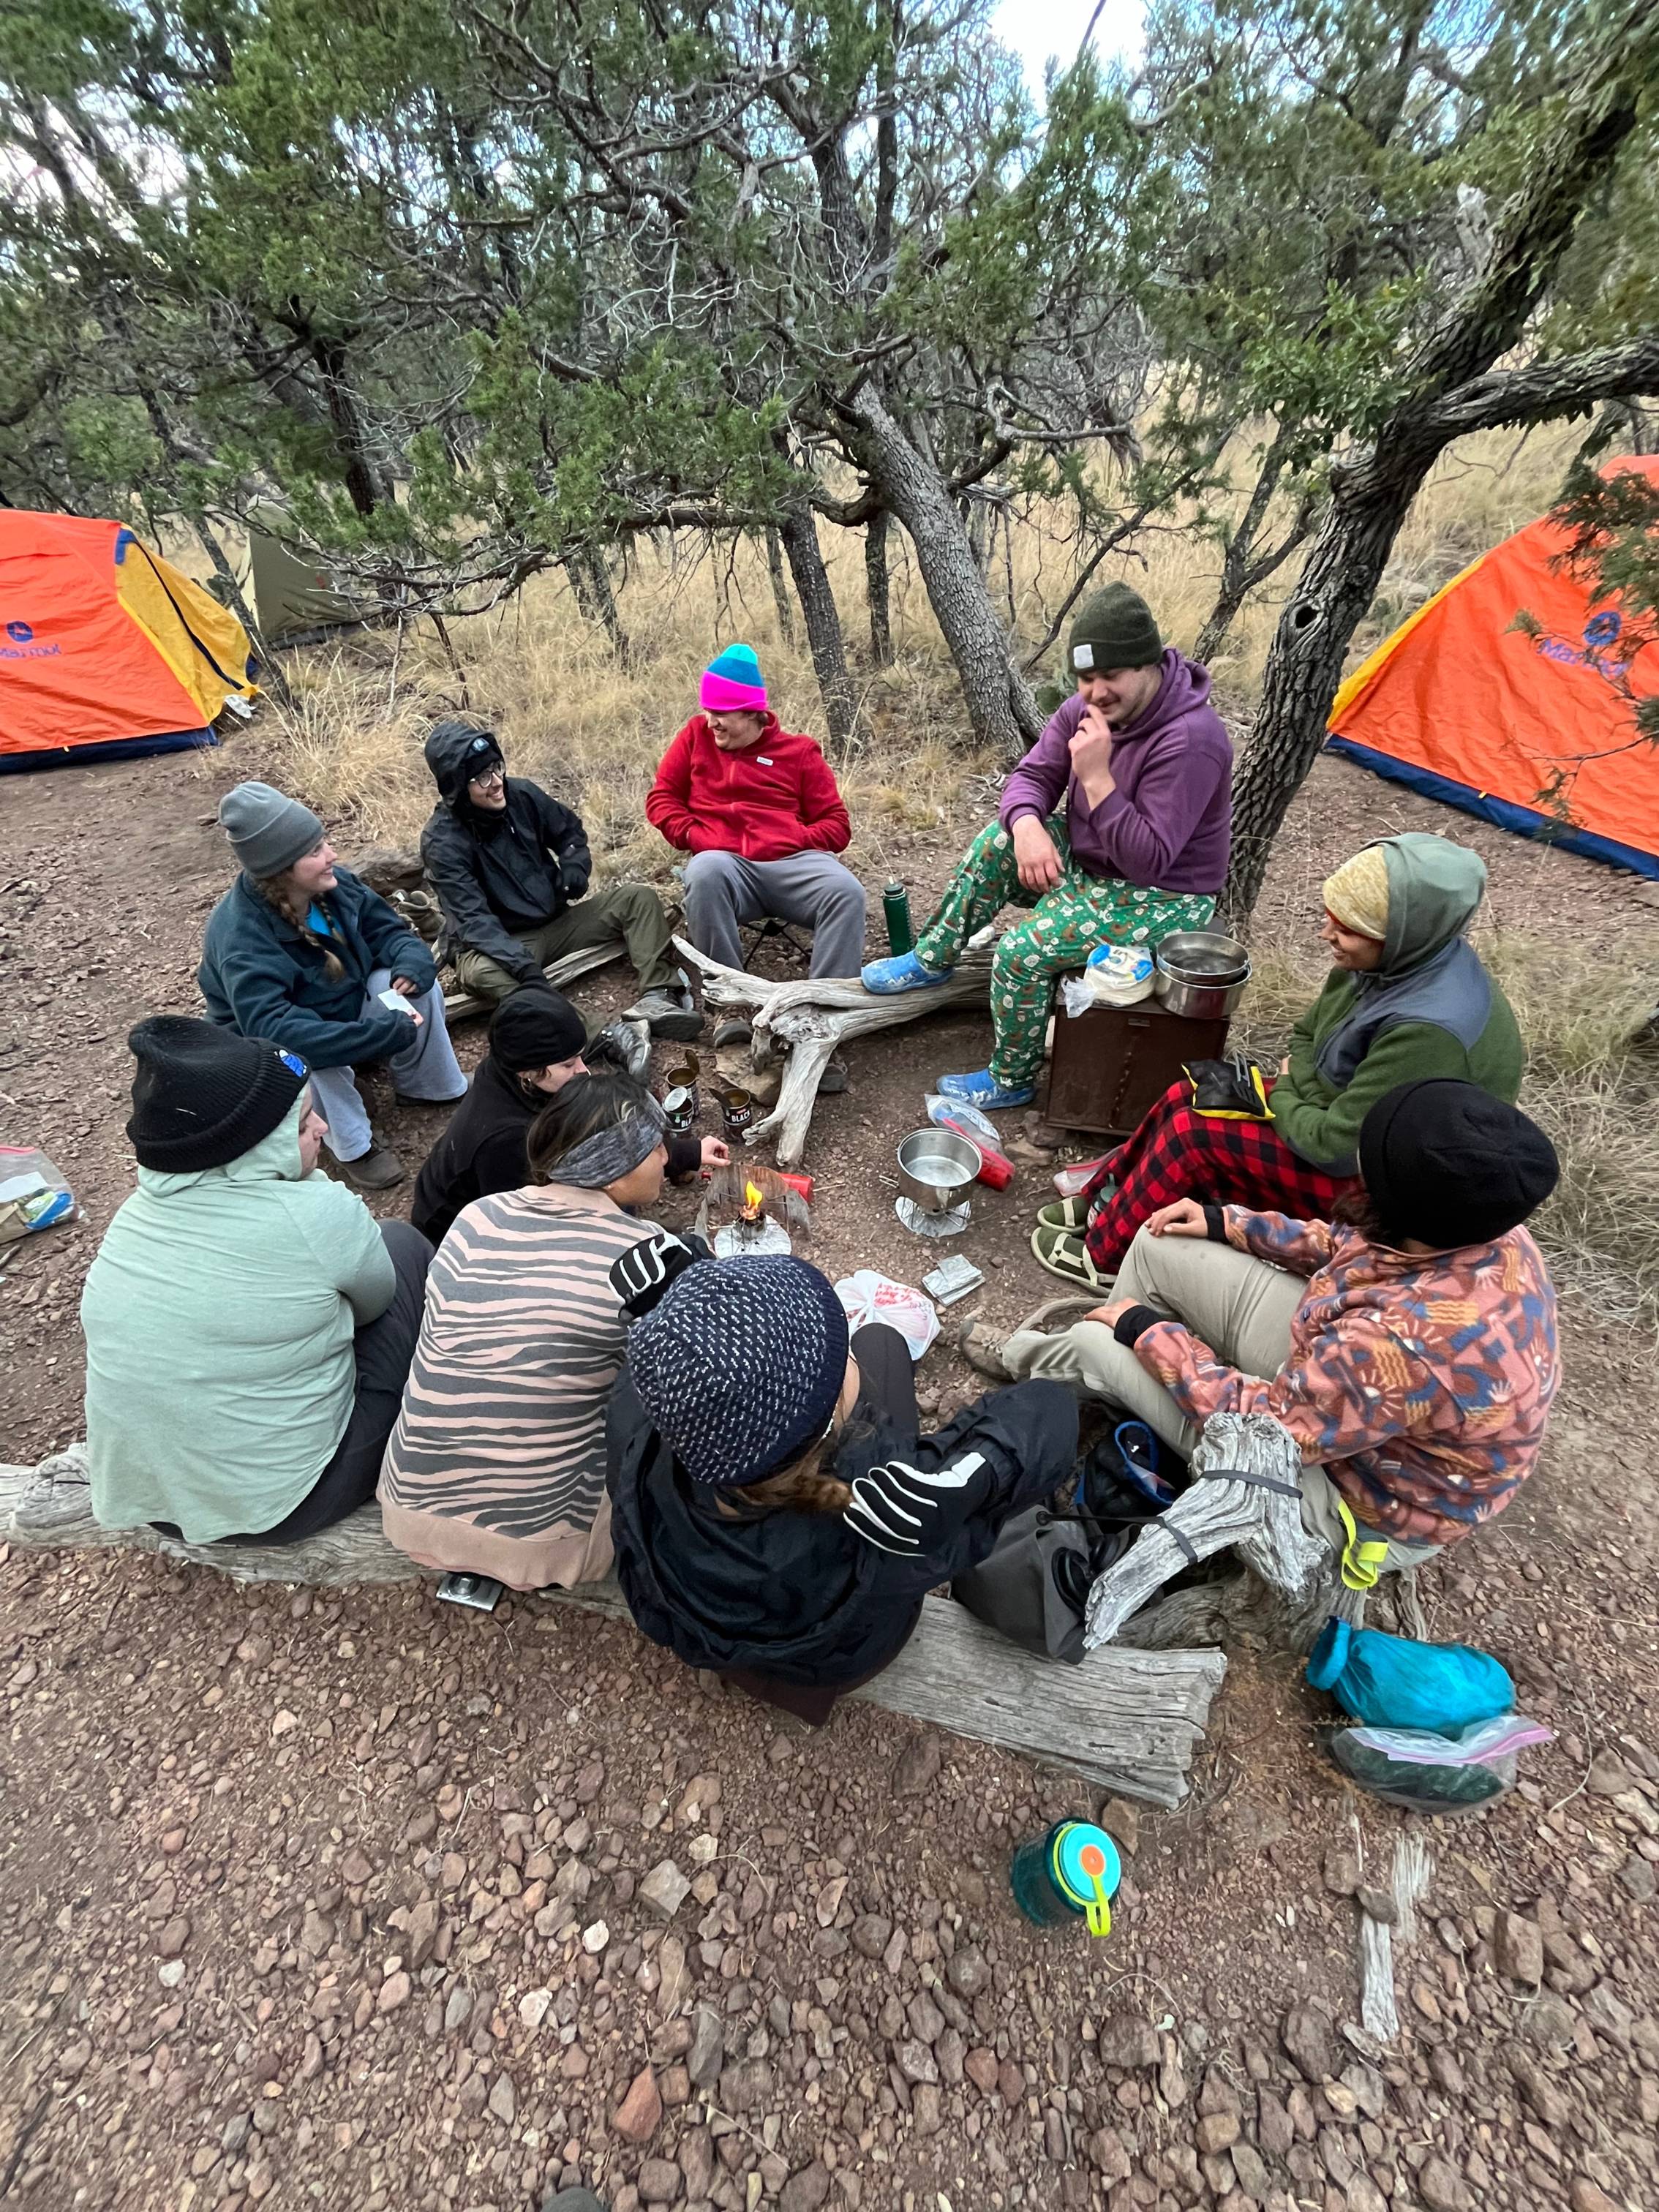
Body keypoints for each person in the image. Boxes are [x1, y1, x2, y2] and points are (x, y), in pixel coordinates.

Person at [988, 1080, 1560, 1576]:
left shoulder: (1407, 1344)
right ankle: (1114, 1393)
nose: (1357, 1157)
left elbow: (1268, 1427)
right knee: (1158, 1243)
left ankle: (1032, 1362)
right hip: (1343, 1391)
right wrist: (1226, 1222)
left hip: (1357, 1495)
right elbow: (1352, 1245)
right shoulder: (1478, 1223)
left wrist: (1146, 1333)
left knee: (1103, 1341)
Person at [606, 1249, 1079, 1726]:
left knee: (877, 1345)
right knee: (884, 1342)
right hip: (837, 1660)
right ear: (828, 1416)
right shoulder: (881, 1505)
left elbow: (690, 1383)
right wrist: (987, 1465)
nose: (848, 1351)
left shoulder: (641, 1429)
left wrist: (678, 1311)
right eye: (841, 1353)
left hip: (724, 1633)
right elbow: (1052, 1406)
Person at [1033, 830, 1524, 1286]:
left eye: (1348, 930)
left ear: (1401, 933)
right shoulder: (1387, 964)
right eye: (1332, 917)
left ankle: (1107, 1257)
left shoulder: (1428, 1030)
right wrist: (1303, 1091)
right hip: (1333, 1114)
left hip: (1385, 1189)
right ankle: (1109, 1196)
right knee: (1189, 1093)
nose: (1327, 935)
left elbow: (1335, 1149)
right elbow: (1307, 1034)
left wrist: (1290, 1091)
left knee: (1195, 1137)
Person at [861, 584, 1232, 1108]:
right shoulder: (1084, 710)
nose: (1097, 692)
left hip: (1165, 895)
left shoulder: (1192, 739)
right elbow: (1030, 776)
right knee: (998, 842)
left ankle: (1012, 1080)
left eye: (1111, 676)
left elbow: (1149, 859)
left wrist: (1098, 779)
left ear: (1148, 665)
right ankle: (933, 957)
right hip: (1094, 859)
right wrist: (1027, 825)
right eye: (1086, 678)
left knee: (1020, 953)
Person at [80, 1017, 432, 1546]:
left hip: (147, 1499)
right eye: (303, 1123)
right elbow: (375, 1303)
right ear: (254, 1147)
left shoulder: (135, 1215)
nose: (323, 1130)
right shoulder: (315, 1213)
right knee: (401, 1247)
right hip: (281, 1505)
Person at [379, 1074, 674, 1590]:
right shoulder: (647, 1252)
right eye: (655, 1148)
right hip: (544, 1545)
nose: (667, 1158)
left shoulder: (478, 1217)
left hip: (407, 1510)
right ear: (614, 1171)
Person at [199, 780, 467, 1192]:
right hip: (267, 1048)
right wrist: (375, 1035)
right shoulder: (241, 937)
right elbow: (274, 1030)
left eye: (324, 844)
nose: (332, 856)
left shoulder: (334, 886)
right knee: (305, 1054)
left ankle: (428, 1085)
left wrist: (413, 962)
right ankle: (353, 1146)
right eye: (315, 852)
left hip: (338, 1007)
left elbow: (387, 932)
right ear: (281, 869)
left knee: (415, 987)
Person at [421, 718, 701, 1038]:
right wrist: (522, 966)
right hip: (500, 943)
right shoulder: (442, 842)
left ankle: (659, 997)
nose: (497, 782)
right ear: (457, 786)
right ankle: (600, 1036)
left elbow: (569, 833)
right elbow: (474, 922)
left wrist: (574, 866)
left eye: (496, 767)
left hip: (557, 924)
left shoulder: (520, 795)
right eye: (482, 778)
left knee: (637, 898)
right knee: (485, 974)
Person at [647, 644, 867, 1038]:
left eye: (720, 713)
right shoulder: (695, 738)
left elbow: (837, 825)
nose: (710, 722)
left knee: (846, 891)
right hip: (728, 869)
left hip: (792, 865)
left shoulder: (797, 753)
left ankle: (820, 1018)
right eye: (707, 711)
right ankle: (730, 1007)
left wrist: (793, 838)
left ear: (753, 713)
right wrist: (696, 835)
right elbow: (661, 799)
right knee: (705, 871)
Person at [410, 985, 731, 1246]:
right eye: (568, 1065)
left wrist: (686, 1153)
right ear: (528, 1073)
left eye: (580, 1057)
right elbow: (538, 1223)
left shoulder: (514, 1075)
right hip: (462, 1237)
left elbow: (599, 1136)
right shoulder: (506, 1140)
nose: (584, 1071)